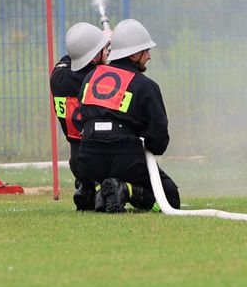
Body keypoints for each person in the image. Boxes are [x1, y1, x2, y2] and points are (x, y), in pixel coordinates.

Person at [70, 17, 181, 213]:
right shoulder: (145, 86)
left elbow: (81, 120)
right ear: (135, 54)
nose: (149, 56)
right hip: (125, 157)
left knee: (104, 172)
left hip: (88, 158)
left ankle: (97, 189)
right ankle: (125, 189)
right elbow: (158, 140)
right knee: (170, 199)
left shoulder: (90, 78)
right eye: (146, 50)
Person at [50, 20, 109, 212]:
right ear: (93, 57)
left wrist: (97, 43)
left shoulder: (57, 77)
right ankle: (103, 191)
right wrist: (111, 41)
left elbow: (71, 58)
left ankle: (86, 188)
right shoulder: (98, 80)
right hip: (100, 155)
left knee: (86, 177)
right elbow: (119, 71)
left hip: (76, 157)